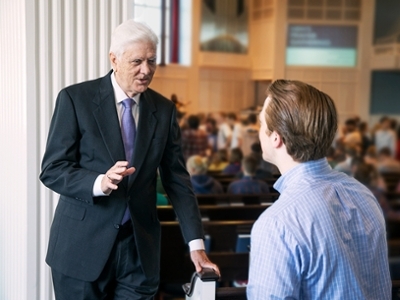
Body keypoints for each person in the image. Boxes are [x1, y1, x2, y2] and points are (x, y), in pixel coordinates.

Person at [39, 20, 219, 300]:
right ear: (114, 59)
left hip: (139, 250)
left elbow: (178, 181)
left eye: (151, 61)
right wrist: (99, 182)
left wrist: (196, 244)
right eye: (137, 61)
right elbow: (52, 169)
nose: (146, 70)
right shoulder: (76, 99)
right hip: (81, 248)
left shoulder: (164, 109)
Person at [247, 79, 390, 299]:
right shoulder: (363, 195)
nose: (258, 131)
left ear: (276, 137)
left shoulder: (277, 224)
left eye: (260, 124)